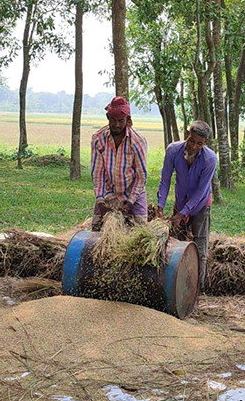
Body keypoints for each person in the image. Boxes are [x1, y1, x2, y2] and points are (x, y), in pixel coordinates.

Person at [156, 120, 217, 291]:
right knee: (176, 245)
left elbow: (200, 191)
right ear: (186, 135)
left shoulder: (210, 159)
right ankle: (175, 288)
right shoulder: (173, 150)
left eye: (200, 143)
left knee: (200, 248)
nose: (194, 146)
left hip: (201, 205)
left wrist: (183, 213)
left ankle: (197, 290)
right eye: (192, 140)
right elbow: (165, 180)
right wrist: (160, 206)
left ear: (204, 144)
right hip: (180, 201)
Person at [90, 96, 148, 230]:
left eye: (121, 121)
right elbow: (97, 173)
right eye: (113, 120)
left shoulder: (137, 141)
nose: (117, 125)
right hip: (108, 194)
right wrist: (100, 201)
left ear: (127, 120)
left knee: (141, 235)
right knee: (96, 231)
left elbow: (141, 176)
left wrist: (129, 203)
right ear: (107, 118)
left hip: (133, 193)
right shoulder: (98, 139)